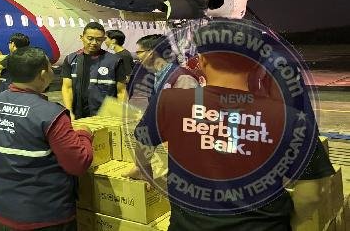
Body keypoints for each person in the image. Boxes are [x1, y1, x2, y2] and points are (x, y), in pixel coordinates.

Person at [128, 20, 333, 230]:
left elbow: (143, 142)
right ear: (258, 65)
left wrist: (145, 169)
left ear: (201, 61)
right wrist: (291, 222)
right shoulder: (291, 120)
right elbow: (312, 194)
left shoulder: (168, 102)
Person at [0, 47, 94, 230]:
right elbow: (78, 163)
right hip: (45, 215)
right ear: (43, 74)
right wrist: (84, 135)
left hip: (0, 210)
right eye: (50, 67)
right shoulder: (51, 114)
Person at [61, 22, 124, 119]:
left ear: (103, 39)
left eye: (98, 39)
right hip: (78, 116)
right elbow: (67, 88)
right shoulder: (71, 59)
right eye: (90, 38)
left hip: (106, 117)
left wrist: (121, 114)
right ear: (82, 37)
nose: (94, 42)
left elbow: (121, 91)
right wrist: (69, 111)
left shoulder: (114, 61)